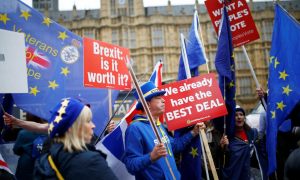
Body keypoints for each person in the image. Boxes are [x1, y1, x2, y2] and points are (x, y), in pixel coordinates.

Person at [123, 81, 206, 180]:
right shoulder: (135, 128)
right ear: (148, 104)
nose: (164, 100)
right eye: (158, 98)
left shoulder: (159, 125)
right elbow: (130, 165)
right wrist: (151, 157)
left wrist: (193, 132)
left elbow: (174, 146)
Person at [33, 98, 117, 179]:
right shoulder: (91, 161)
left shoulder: (44, 161)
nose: (93, 126)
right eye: (88, 121)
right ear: (72, 127)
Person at [222, 107, 268, 180]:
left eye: (241, 114)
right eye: (236, 115)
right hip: (236, 174)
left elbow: (262, 155)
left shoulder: (254, 134)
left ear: (244, 117)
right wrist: (223, 146)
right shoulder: (228, 136)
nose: (239, 117)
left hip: (253, 174)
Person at [13, 113, 47, 180]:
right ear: (40, 118)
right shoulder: (48, 132)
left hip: (26, 167)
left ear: (27, 118)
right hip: (43, 165)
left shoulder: (23, 133)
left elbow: (16, 150)